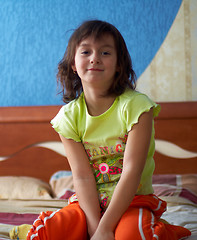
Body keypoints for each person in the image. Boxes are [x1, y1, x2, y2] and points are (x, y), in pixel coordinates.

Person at [25, 20, 190, 240]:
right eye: (86, 51)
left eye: (105, 52)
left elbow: (132, 171)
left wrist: (106, 228)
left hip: (132, 200)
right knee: (53, 232)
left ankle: (167, 230)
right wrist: (96, 228)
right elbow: (82, 177)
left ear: (119, 64)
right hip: (89, 204)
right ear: (73, 63)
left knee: (131, 235)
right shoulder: (68, 117)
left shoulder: (137, 107)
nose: (94, 58)